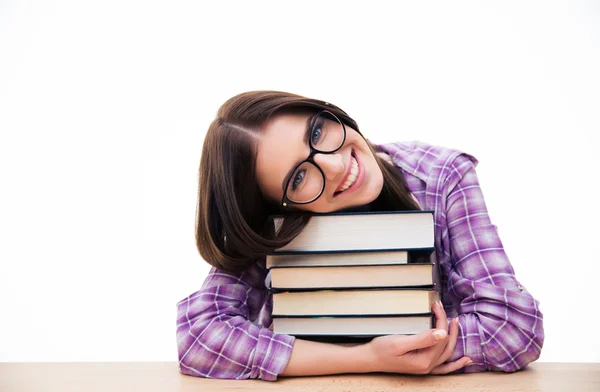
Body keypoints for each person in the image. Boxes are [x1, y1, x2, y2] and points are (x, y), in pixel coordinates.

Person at [176, 91, 544, 381]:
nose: (337, 167)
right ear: (280, 205)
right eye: (299, 178)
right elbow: (199, 337)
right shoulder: (278, 227)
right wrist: (367, 358)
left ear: (327, 110)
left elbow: (514, 331)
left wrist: (416, 349)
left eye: (317, 133)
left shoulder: (441, 175)